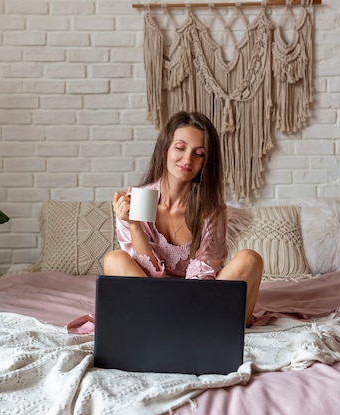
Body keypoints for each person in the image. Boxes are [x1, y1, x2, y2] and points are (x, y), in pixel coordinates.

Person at [102, 111, 263, 326]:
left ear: (207, 162)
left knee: (250, 258)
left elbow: (205, 274)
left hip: (198, 301)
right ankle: (170, 324)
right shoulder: (136, 201)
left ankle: (184, 325)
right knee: (114, 259)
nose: (187, 159)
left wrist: (182, 308)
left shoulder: (212, 210)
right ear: (165, 149)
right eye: (180, 147)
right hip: (150, 300)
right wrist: (134, 224)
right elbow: (145, 277)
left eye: (199, 153)